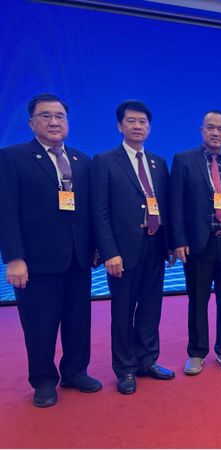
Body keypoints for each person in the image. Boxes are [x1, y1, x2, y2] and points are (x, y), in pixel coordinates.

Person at [0, 93, 101, 407]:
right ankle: (43, 381)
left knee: (78, 321)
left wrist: (95, 248)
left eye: (59, 116)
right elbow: (6, 211)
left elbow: (90, 211)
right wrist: (14, 258)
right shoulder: (13, 157)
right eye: (45, 116)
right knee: (40, 324)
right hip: (35, 261)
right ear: (32, 123)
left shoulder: (82, 161)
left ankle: (75, 371)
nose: (54, 122)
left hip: (78, 258)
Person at [91, 100, 174, 395]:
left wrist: (170, 245)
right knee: (123, 311)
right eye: (131, 121)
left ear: (149, 128)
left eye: (143, 122)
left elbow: (166, 206)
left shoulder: (157, 163)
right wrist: (109, 252)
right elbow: (99, 212)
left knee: (151, 308)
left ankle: (147, 361)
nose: (138, 126)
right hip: (122, 252)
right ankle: (125, 368)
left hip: (155, 246)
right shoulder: (105, 161)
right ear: (120, 126)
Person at [170, 110, 221, 373]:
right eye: (210, 127)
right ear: (201, 130)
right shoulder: (184, 160)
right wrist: (178, 240)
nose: (216, 133)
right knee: (198, 300)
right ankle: (196, 351)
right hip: (197, 245)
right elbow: (175, 203)